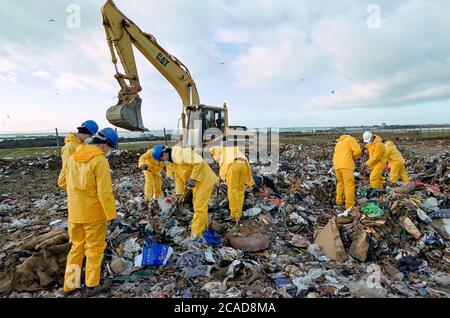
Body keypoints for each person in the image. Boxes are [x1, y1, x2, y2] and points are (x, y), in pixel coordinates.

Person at [58, 128, 118, 295]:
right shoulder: (100, 161)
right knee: (94, 249)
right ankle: (92, 285)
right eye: (110, 148)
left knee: (77, 247)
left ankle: (70, 285)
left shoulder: (72, 157)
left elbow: (62, 182)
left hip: (74, 214)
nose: (109, 152)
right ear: (105, 145)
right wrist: (112, 215)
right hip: (94, 215)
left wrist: (77, 193)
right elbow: (104, 193)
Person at [153, 145, 218, 238]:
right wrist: (179, 194)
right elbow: (179, 179)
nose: (163, 161)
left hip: (204, 180)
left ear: (164, 154)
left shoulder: (182, 153)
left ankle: (195, 235)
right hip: (197, 184)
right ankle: (203, 228)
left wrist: (193, 178)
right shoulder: (173, 162)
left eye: (162, 159)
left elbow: (199, 162)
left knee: (199, 207)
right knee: (198, 206)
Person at [210, 145, 255, 223]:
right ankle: (239, 213)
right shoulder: (231, 149)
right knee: (240, 190)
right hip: (243, 165)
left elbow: (222, 169)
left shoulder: (222, 153)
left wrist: (220, 180)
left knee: (232, 190)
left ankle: (234, 214)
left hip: (233, 166)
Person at [332, 133, 362, 209]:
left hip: (337, 166)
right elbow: (357, 150)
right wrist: (353, 158)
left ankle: (339, 202)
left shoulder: (339, 142)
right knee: (349, 185)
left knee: (340, 183)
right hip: (346, 165)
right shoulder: (350, 139)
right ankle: (349, 205)